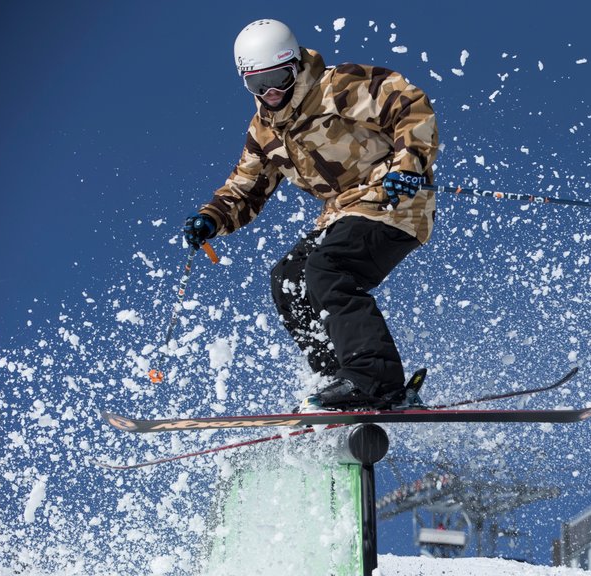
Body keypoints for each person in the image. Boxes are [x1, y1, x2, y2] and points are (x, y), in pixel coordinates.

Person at [182, 19, 438, 412]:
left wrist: (408, 165)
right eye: (257, 84)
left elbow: (409, 105)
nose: (271, 93)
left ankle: (374, 381)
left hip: (393, 200)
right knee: (288, 279)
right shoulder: (264, 132)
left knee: (328, 267)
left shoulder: (338, 87)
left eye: (279, 78)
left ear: (296, 66)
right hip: (342, 212)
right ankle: (338, 378)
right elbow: (247, 186)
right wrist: (213, 217)